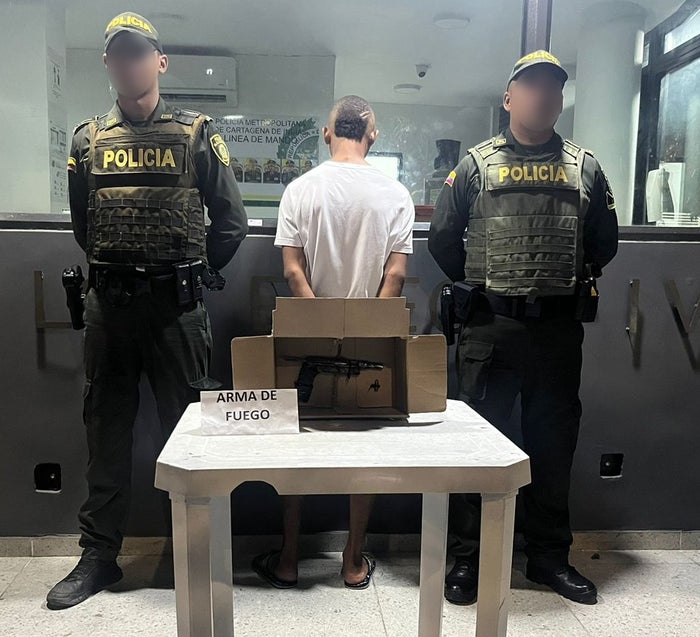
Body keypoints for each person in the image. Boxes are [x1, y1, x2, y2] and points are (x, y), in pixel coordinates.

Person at [46, 12, 248, 610]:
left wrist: (189, 272)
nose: (129, 62)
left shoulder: (196, 134)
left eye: (140, 53)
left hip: (176, 310)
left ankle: (193, 552)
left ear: (160, 62)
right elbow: (85, 226)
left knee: (187, 435)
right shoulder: (87, 140)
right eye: (119, 53)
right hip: (110, 309)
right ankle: (98, 557)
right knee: (105, 431)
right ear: (108, 63)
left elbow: (231, 222)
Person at [428, 50, 618, 606]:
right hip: (491, 327)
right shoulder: (475, 166)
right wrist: (488, 290)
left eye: (553, 88)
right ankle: (469, 558)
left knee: (552, 446)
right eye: (531, 87)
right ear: (509, 99)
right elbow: (444, 241)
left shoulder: (585, 166)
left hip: (556, 332)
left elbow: (603, 243)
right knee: (476, 445)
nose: (543, 96)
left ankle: (548, 558)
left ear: (560, 100)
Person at [253, 95, 414, 589]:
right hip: (371, 343)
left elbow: (292, 272)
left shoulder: (300, 190)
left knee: (297, 442)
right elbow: (395, 277)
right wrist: (363, 333)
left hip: (304, 339)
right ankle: (351, 560)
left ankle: (288, 559)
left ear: (327, 134)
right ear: (372, 136)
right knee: (365, 445)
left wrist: (320, 327)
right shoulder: (395, 194)